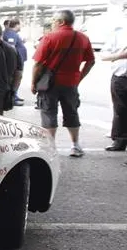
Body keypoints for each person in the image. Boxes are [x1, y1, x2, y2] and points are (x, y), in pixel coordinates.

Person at [32, 10, 95, 157]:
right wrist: (79, 78)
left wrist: (34, 83)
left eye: (54, 20)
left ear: (61, 22)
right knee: (71, 113)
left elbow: (38, 64)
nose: (52, 23)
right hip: (71, 83)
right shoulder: (83, 38)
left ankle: (50, 148)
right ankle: (75, 146)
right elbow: (91, 61)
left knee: (48, 113)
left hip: (50, 84)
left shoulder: (49, 37)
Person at [100, 25, 127, 154]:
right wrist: (120, 55)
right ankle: (120, 140)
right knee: (120, 109)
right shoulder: (119, 33)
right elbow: (104, 55)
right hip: (121, 76)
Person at [4, 19, 28, 106]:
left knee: (15, 80)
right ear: (16, 25)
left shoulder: (13, 34)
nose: (21, 27)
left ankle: (14, 96)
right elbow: (11, 48)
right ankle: (12, 98)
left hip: (17, 62)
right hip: (15, 63)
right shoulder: (11, 33)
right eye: (20, 25)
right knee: (14, 80)